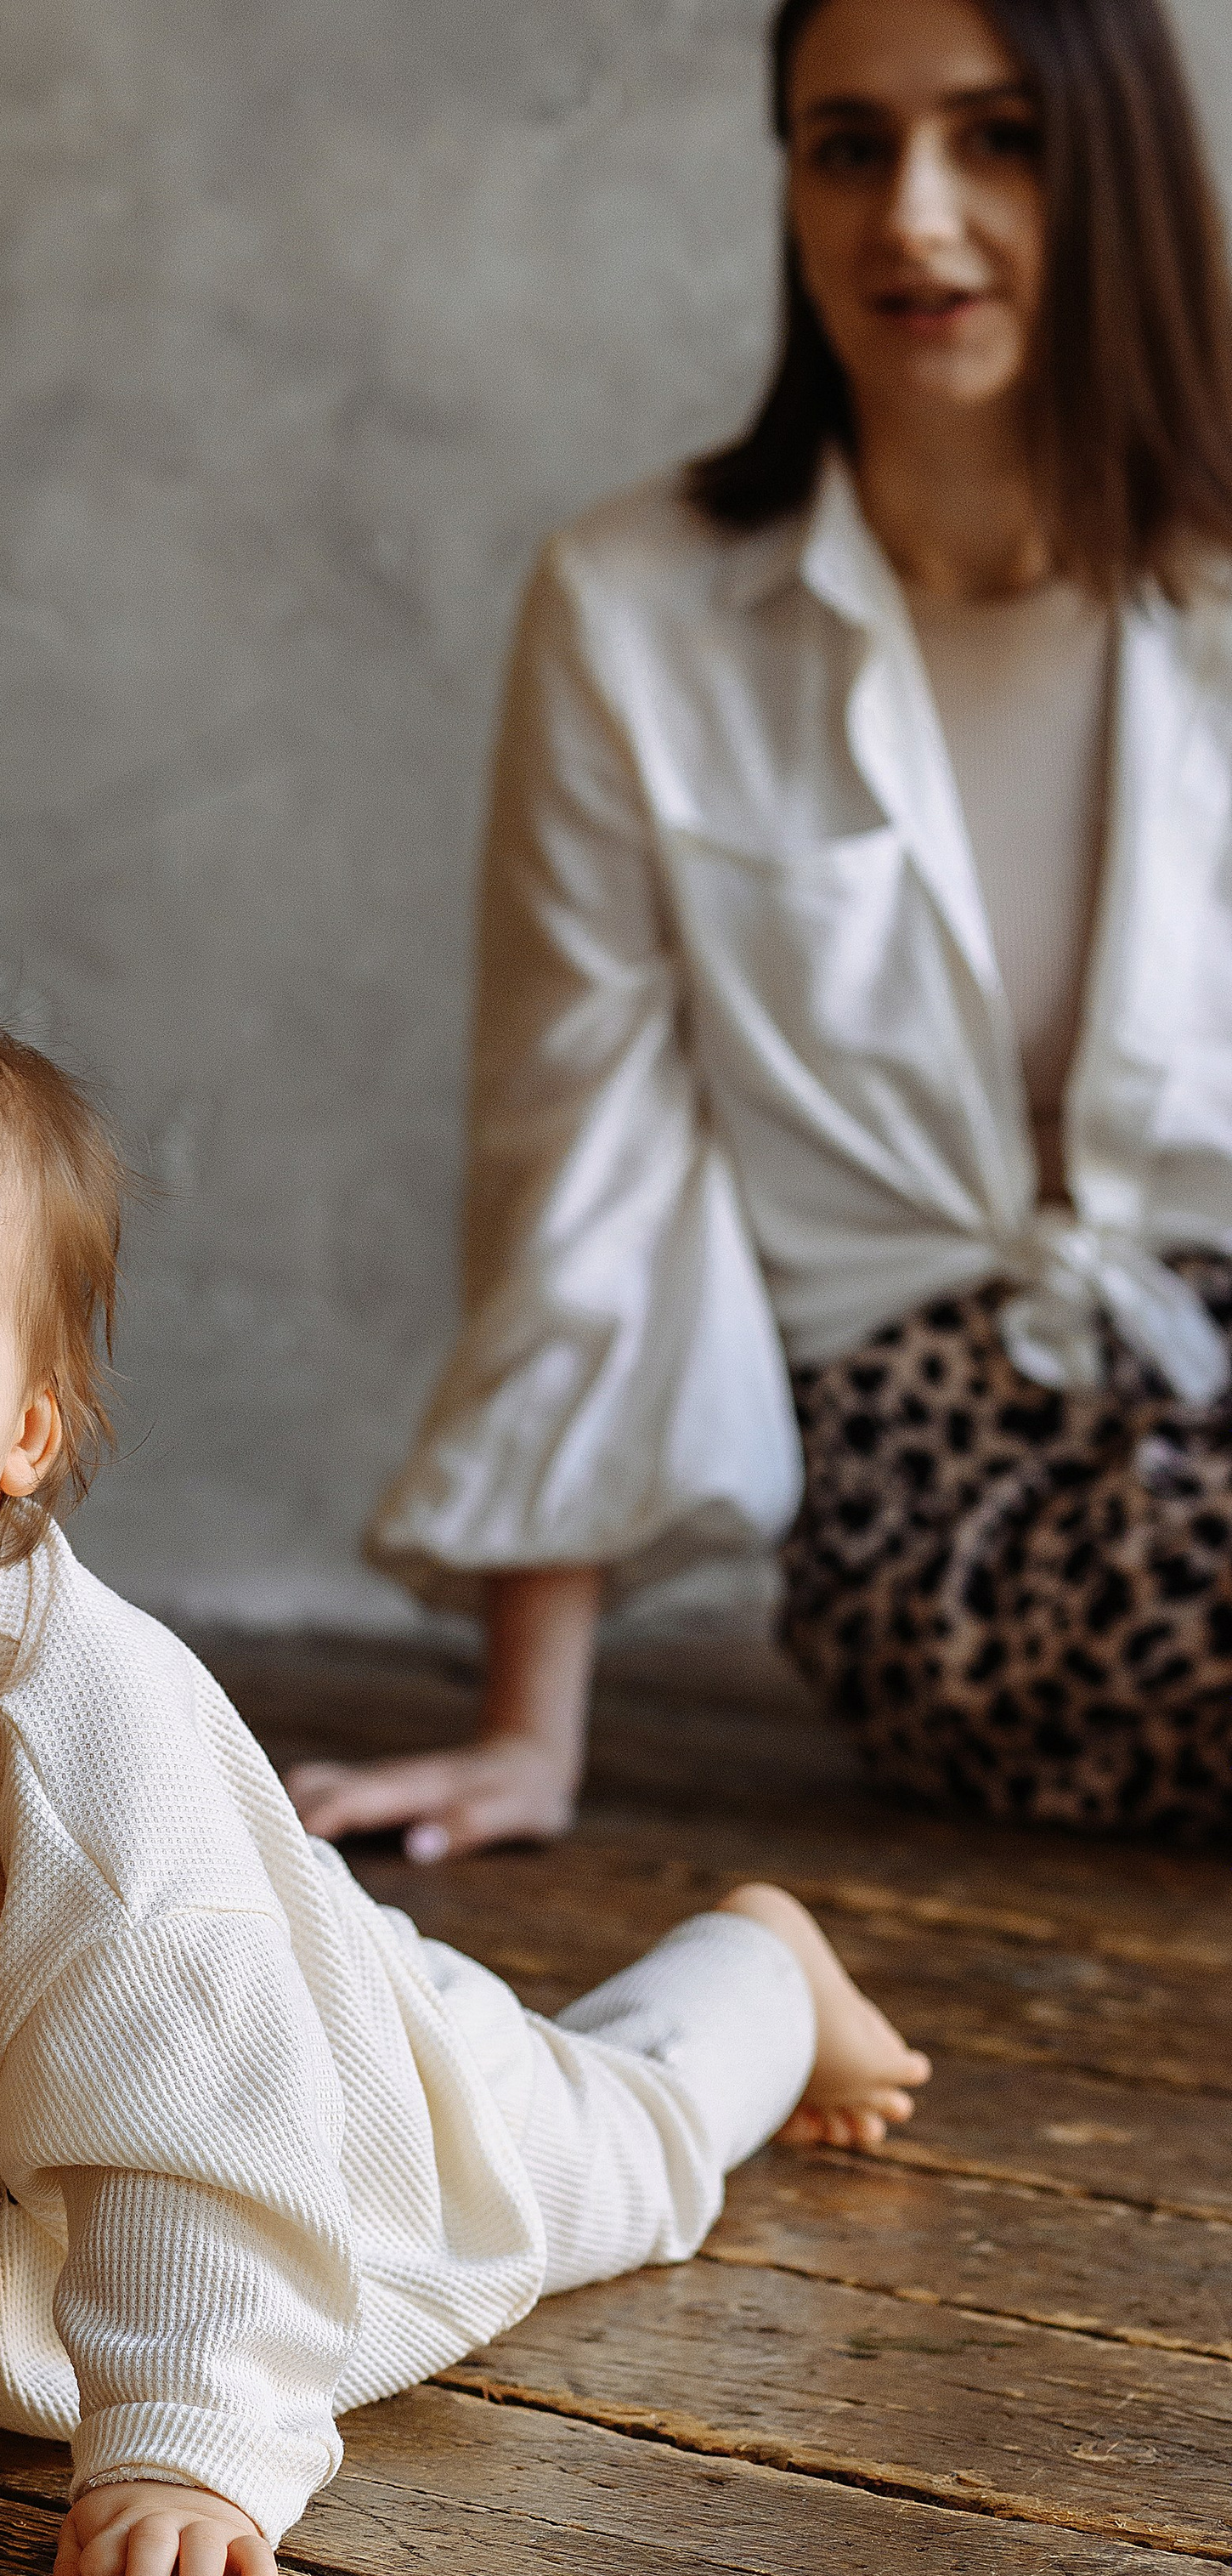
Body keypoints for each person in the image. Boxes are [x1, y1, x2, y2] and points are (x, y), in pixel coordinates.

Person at [0, 980, 927, 2576]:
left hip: (339, 2122)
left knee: (627, 2148)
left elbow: (201, 2140)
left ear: (23, 1431)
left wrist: (183, 2445)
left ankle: (757, 1975)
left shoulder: (86, 1750)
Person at [291, 0, 1232, 1864]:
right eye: (847, 145)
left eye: (996, 138)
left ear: (1110, 161)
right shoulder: (637, 613)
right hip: (941, 1498)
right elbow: (584, 1153)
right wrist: (525, 1730)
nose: (914, 221)